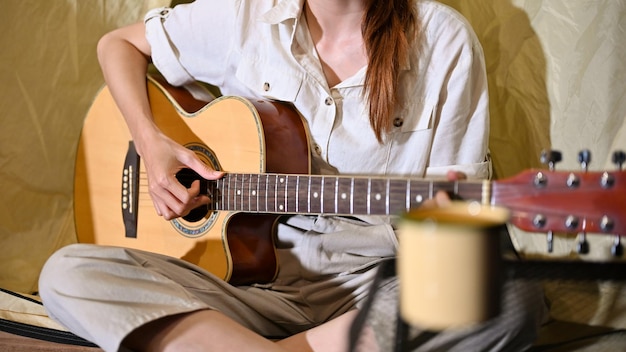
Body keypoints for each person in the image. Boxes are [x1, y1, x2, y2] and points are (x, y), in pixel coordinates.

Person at [39, 0, 547, 351]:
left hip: (376, 291)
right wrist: (152, 145)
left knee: (509, 295)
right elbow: (118, 46)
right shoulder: (245, 16)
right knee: (68, 274)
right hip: (248, 287)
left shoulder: (444, 40)